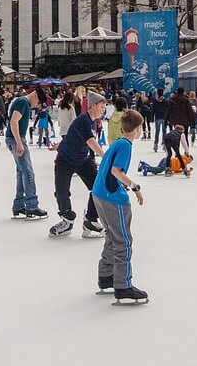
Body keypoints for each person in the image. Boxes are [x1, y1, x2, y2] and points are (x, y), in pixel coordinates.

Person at [91, 109, 147, 305]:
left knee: (112, 236)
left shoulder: (117, 143)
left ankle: (106, 275)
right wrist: (134, 186)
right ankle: (123, 285)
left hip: (99, 193)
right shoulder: (126, 146)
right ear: (138, 128)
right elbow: (116, 171)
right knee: (123, 240)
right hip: (112, 198)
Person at [49, 93, 107, 239]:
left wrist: (58, 144)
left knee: (98, 187)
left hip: (82, 159)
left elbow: (72, 136)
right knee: (62, 192)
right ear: (93, 106)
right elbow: (91, 142)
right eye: (101, 107)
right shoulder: (83, 120)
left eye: (104, 107)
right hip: (65, 160)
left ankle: (90, 220)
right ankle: (67, 219)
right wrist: (106, 158)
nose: (103, 110)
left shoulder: (93, 121)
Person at [6, 87, 47, 220]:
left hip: (15, 138)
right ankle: (31, 205)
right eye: (38, 102)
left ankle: (19, 205)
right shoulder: (23, 102)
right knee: (28, 172)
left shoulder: (22, 102)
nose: (37, 105)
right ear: (34, 95)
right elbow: (13, 121)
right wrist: (18, 142)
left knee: (21, 171)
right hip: (16, 139)